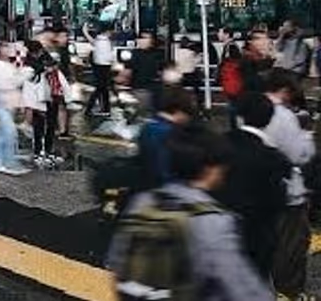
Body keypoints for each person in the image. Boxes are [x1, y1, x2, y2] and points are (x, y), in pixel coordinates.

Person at [106, 124, 273, 301]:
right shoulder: (213, 220)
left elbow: (116, 260)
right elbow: (242, 289)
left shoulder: (143, 201)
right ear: (209, 169)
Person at [216, 92, 290, 281]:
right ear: (269, 119)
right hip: (258, 235)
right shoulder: (272, 157)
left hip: (220, 230)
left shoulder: (218, 143)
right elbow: (279, 201)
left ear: (240, 115)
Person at [263, 69, 315, 297]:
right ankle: (291, 293)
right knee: (292, 248)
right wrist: (305, 134)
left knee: (274, 244)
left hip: (267, 191)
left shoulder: (255, 109)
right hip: (291, 192)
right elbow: (302, 155)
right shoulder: (283, 116)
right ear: (285, 90)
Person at [134, 86, 196, 190]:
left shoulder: (149, 127)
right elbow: (164, 170)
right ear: (179, 111)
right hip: (168, 190)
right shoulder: (171, 132)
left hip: (148, 185)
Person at [0, 41, 27, 175]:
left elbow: (14, 83)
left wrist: (24, 74)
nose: (9, 50)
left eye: (10, 47)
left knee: (2, 133)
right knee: (9, 131)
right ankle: (8, 162)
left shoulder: (10, 66)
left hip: (10, 104)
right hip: (0, 103)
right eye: (6, 47)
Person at [84, 25, 115, 118]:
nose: (112, 33)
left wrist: (85, 31)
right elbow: (109, 56)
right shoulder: (104, 40)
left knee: (103, 89)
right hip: (104, 67)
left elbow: (91, 41)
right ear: (107, 31)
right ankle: (90, 109)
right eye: (111, 31)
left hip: (99, 67)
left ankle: (105, 109)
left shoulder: (99, 40)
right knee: (101, 89)